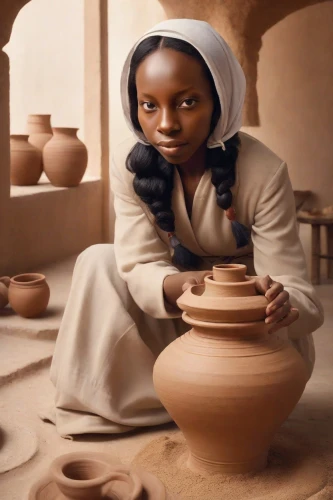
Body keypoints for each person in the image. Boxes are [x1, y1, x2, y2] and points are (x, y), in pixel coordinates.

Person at [45, 19, 324, 438]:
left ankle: (207, 399)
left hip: (247, 331)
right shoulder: (129, 165)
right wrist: (191, 285)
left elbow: (301, 294)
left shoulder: (264, 172)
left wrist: (280, 304)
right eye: (149, 105)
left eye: (188, 102)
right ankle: (145, 399)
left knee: (247, 398)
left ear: (219, 99)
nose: (167, 125)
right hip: (179, 310)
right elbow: (138, 266)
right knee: (97, 260)